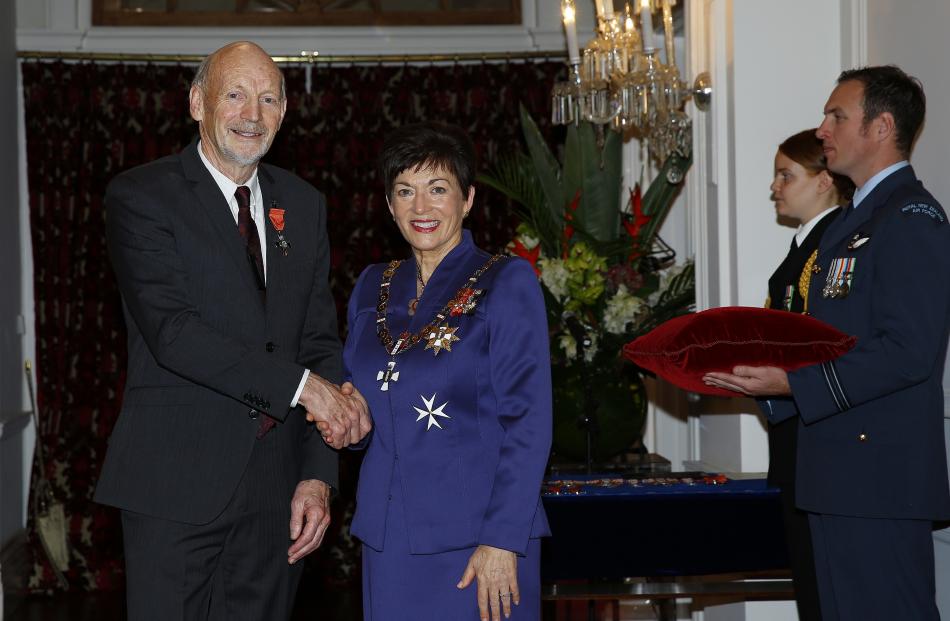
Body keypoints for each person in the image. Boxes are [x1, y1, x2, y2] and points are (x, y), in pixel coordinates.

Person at [95, 41, 372, 621]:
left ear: (285, 110)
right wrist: (304, 389)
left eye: (269, 98)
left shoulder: (303, 203)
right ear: (197, 102)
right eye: (236, 95)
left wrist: (318, 477)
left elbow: (319, 338)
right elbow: (175, 334)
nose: (253, 114)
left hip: (278, 494)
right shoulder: (142, 195)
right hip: (174, 485)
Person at [705, 65, 950, 620]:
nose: (822, 129)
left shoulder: (910, 217)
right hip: (836, 475)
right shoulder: (852, 221)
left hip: (878, 479)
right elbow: (820, 340)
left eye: (837, 116)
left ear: (881, 127)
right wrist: (757, 376)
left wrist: (793, 383)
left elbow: (907, 351)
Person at [333, 122, 552, 621]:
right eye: (405, 192)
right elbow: (366, 405)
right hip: (389, 538)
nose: (421, 208)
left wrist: (502, 539)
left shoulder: (507, 280)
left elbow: (530, 419)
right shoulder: (371, 285)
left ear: (468, 198)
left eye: (438, 189)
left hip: (481, 538)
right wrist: (345, 420)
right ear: (389, 206)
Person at [764, 128, 854, 621]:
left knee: (825, 589)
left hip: (818, 434)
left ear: (824, 181)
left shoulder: (831, 247)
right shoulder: (805, 247)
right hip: (797, 433)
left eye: (786, 175)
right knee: (812, 584)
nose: (775, 187)